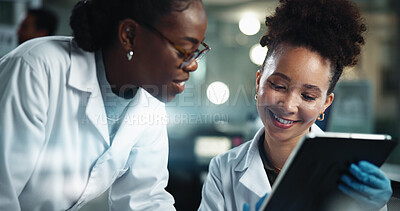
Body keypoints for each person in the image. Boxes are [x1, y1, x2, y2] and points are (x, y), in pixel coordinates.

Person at [0, 0, 208, 210]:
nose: (193, 65)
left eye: (197, 50)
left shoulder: (149, 102)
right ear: (129, 35)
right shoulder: (35, 69)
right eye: (184, 50)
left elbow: (145, 199)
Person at [198, 0, 392, 211]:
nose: (288, 105)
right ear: (258, 81)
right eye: (278, 86)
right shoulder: (224, 170)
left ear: (325, 104)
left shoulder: (350, 176)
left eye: (308, 96)